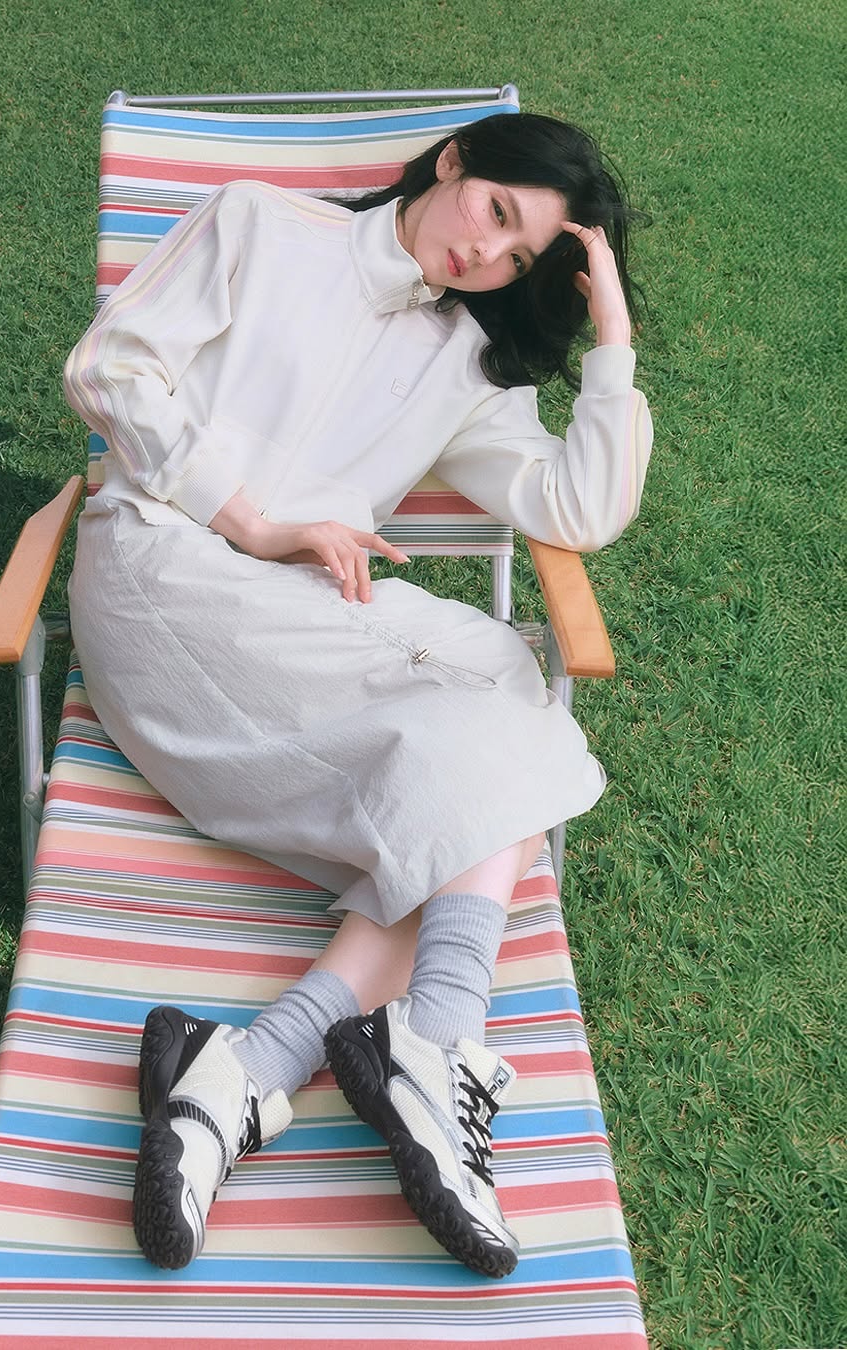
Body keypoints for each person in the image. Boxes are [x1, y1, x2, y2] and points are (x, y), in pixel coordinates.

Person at [62, 110, 653, 1279]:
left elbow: (579, 510)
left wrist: (614, 335)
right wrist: (253, 519)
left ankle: (243, 1074)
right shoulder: (259, 227)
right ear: (453, 161)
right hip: (165, 579)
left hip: (306, 622)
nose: (488, 255)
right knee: (491, 755)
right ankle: (433, 1042)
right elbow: (108, 368)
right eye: (495, 212)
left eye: (522, 254)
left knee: (503, 709)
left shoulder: (464, 366)